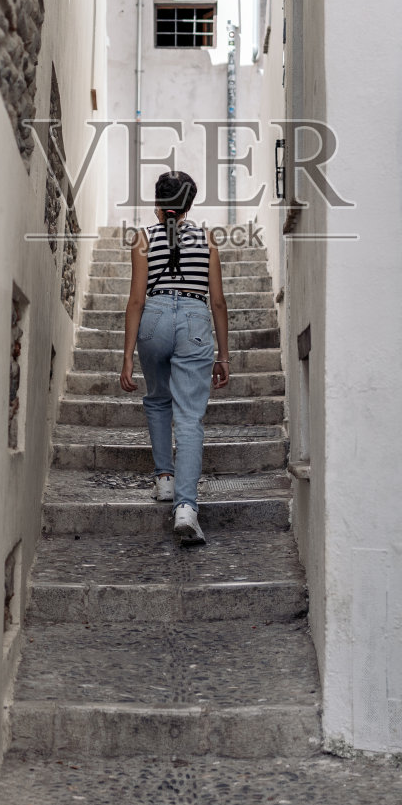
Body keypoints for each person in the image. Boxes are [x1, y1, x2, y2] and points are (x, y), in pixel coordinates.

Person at [119, 171, 230, 543]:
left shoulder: (143, 237)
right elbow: (217, 301)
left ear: (157, 204)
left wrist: (127, 356)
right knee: (190, 418)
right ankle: (185, 508)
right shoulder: (208, 239)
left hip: (154, 319)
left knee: (156, 399)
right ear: (189, 205)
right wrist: (224, 355)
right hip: (195, 320)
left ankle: (164, 480)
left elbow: (135, 300)